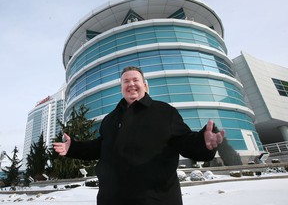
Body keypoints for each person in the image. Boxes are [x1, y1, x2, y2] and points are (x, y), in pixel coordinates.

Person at [53, 66, 225, 205]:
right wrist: (73, 147)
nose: (131, 84)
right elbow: (99, 147)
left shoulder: (164, 112)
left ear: (145, 85)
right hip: (111, 199)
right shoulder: (110, 119)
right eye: (126, 81)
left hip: (155, 199)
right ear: (121, 88)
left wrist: (202, 142)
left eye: (136, 80)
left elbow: (185, 141)